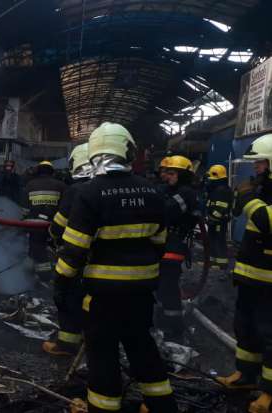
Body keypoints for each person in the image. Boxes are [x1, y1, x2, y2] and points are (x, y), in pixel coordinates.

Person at [56, 122, 177, 413]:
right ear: (128, 151)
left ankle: (103, 407)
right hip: (142, 292)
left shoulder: (89, 193)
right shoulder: (152, 191)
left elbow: (74, 249)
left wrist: (61, 282)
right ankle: (161, 405)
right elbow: (159, 242)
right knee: (142, 345)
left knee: (102, 353)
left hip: (103, 294)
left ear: (94, 152)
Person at [216, 133, 272, 413]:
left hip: (269, 282)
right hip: (251, 277)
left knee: (269, 334)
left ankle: (270, 392)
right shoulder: (263, 191)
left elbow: (265, 220)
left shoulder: (259, 198)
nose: (256, 167)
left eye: (261, 163)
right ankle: (246, 376)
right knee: (245, 328)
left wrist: (249, 198)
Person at [43, 143, 92, 356]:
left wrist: (53, 237)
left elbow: (58, 225)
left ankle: (68, 343)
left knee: (66, 295)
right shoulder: (112, 186)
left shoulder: (77, 190)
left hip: (77, 257)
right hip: (113, 261)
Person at [156, 155, 198, 341]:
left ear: (183, 175)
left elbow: (166, 210)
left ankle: (174, 329)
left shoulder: (187, 193)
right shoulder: (167, 189)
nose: (167, 176)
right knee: (159, 285)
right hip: (162, 243)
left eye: (172, 173)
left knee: (168, 286)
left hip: (173, 245)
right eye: (166, 173)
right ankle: (161, 322)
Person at [22, 160, 66, 279]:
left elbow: (25, 209)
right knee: (58, 250)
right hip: (56, 226)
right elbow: (65, 208)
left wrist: (24, 221)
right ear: (52, 172)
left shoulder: (30, 185)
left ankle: (41, 276)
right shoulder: (61, 185)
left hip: (34, 226)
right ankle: (57, 274)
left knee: (37, 252)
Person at [205, 165, 233, 270]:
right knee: (212, 240)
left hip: (219, 222)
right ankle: (212, 262)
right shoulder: (217, 189)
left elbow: (221, 209)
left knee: (219, 241)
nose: (210, 181)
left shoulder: (222, 190)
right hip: (214, 221)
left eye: (212, 179)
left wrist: (212, 218)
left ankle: (221, 264)